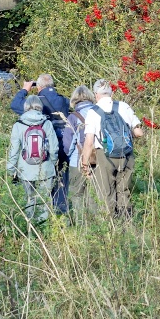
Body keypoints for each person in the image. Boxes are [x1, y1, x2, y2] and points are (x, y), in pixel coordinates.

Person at [80, 79, 143, 219]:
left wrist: (85, 163)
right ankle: (127, 221)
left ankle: (111, 224)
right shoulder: (124, 106)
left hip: (105, 156)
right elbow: (139, 133)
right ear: (112, 93)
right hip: (127, 154)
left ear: (96, 94)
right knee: (124, 190)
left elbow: (89, 142)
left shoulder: (93, 112)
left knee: (107, 192)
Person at [11, 73, 70, 214]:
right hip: (64, 145)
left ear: (38, 87)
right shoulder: (64, 101)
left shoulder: (37, 102)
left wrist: (25, 89)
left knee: (38, 185)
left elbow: (14, 104)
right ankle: (60, 212)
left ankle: (35, 213)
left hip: (41, 149)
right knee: (61, 180)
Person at [7, 94, 60, 223]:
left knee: (29, 199)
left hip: (25, 170)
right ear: (40, 106)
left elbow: (14, 150)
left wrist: (10, 169)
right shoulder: (46, 123)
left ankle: (30, 225)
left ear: (25, 107)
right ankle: (43, 226)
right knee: (44, 200)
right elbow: (54, 148)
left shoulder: (18, 124)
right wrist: (53, 163)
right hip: (45, 167)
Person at [65, 85, 99, 220]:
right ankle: (96, 223)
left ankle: (80, 222)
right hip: (98, 159)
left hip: (77, 161)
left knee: (77, 194)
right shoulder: (99, 112)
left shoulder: (73, 117)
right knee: (94, 195)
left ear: (74, 100)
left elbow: (68, 144)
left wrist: (65, 158)